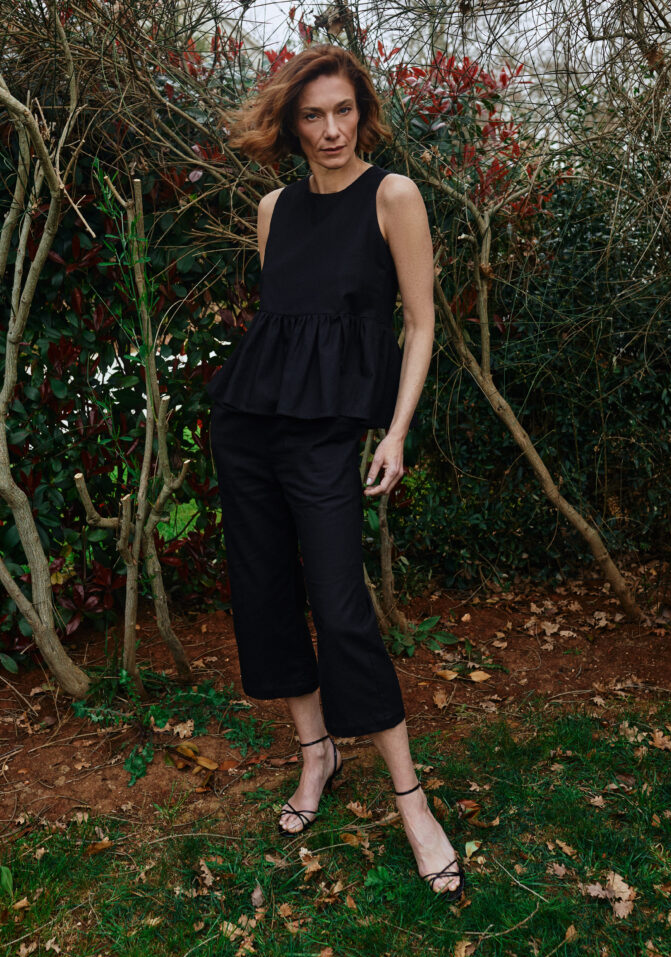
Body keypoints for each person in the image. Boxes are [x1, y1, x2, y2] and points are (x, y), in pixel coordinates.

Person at [205, 43, 465, 900]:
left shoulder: (394, 197)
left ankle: (411, 799)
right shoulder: (273, 208)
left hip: (327, 437)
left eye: (343, 111)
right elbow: (283, 324)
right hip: (250, 425)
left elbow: (420, 325)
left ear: (363, 113)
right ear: (292, 124)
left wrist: (395, 432)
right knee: (264, 591)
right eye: (313, 115)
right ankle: (315, 755)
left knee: (342, 605)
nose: (330, 130)